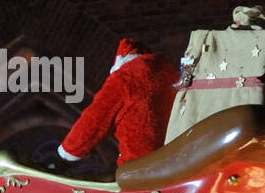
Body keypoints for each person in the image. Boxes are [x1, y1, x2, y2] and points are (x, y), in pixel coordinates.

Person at [57, 38, 180, 167]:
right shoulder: (167, 70)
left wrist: (69, 149)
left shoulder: (125, 78)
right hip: (177, 157)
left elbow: (95, 119)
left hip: (140, 165)